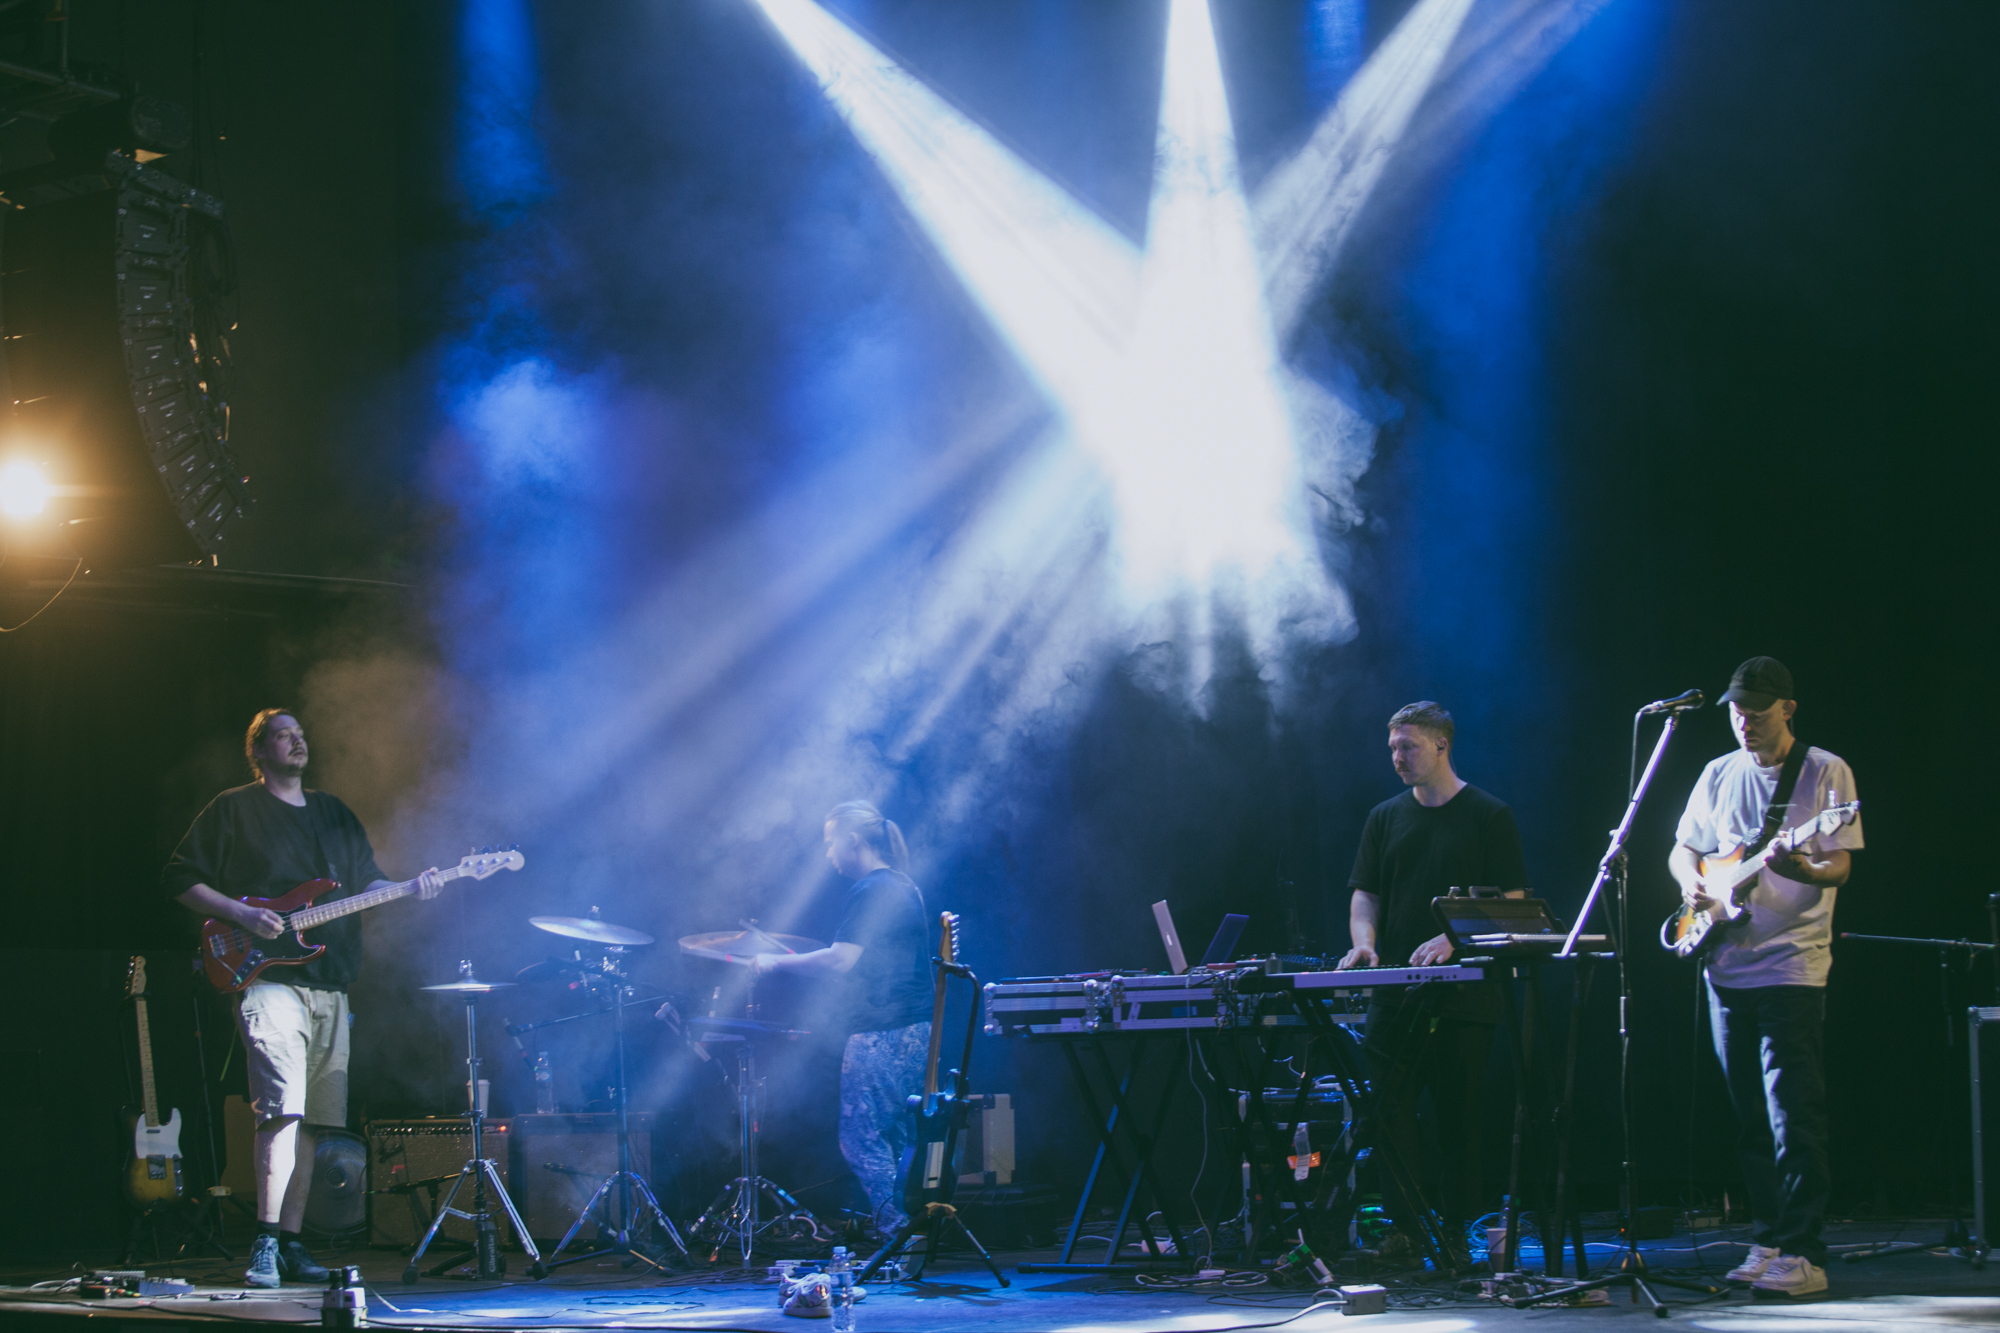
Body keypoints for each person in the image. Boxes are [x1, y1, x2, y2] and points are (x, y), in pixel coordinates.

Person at [164, 708, 442, 1288]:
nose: (299, 740)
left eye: (301, 733)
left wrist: (414, 888)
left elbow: (368, 881)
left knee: (313, 1123)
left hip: (331, 987)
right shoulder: (234, 808)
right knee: (282, 1111)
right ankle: (263, 1244)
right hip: (268, 982)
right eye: (284, 735)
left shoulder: (334, 812)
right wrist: (243, 913)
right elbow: (179, 876)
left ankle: (290, 1244)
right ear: (258, 750)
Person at [1669, 657, 1860, 1299]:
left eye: (1756, 709)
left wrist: (1803, 870)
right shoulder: (1718, 773)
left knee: (1792, 1112)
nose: (1743, 720)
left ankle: (1806, 1251)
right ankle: (1770, 1236)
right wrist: (1693, 882)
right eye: (1735, 709)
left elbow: (1837, 865)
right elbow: (1684, 847)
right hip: (1727, 962)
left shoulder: (1824, 770)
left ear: (1788, 708)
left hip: (1792, 961)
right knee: (1748, 1114)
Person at [1337, 701, 1529, 1262]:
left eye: (1408, 746)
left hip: (1466, 994)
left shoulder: (1489, 815)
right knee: (1390, 1111)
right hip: (1395, 992)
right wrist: (1365, 942)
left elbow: (1515, 904)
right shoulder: (1384, 817)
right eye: (1393, 747)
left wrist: (1456, 937)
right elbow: (1365, 893)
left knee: (1459, 1114)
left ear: (1442, 745)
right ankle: (1404, 1231)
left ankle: (1459, 1230)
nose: (1397, 757)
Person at [751, 801, 932, 1234]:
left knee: (861, 1139)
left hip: (881, 1033)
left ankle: (897, 1236)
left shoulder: (870, 890)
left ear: (854, 841)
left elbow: (840, 960)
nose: (828, 854)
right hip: (917, 1029)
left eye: (830, 842)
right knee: (897, 1138)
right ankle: (909, 1236)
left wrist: (774, 963)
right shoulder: (904, 885)